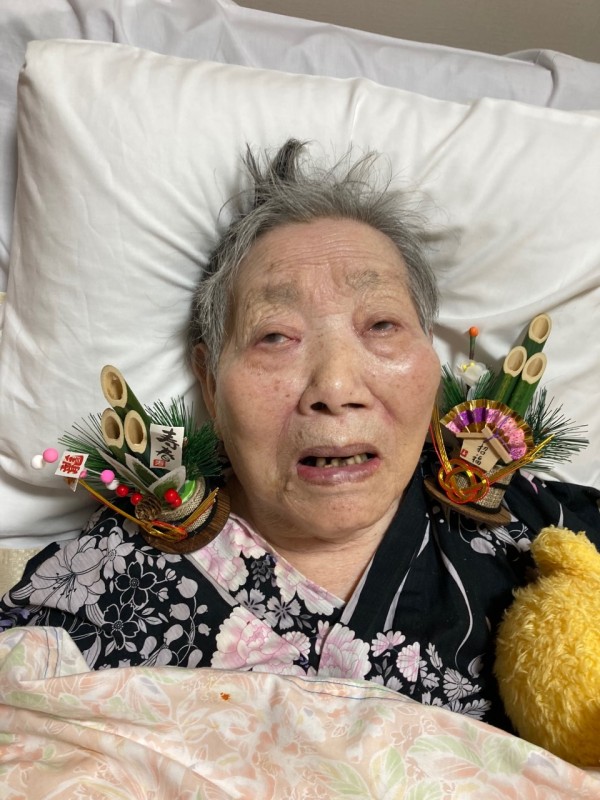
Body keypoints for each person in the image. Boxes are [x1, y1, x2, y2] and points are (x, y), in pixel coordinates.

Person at [1, 140, 598, 733]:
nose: (335, 387)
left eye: (382, 324)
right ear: (210, 382)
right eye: (275, 336)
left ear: (434, 364)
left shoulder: (545, 538)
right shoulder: (98, 588)